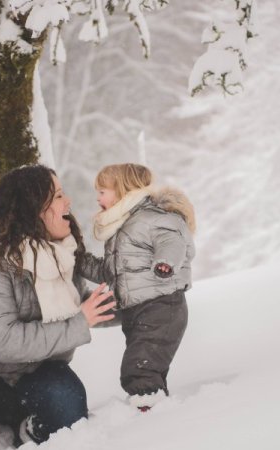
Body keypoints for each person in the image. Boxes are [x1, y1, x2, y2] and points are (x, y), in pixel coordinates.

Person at [0, 165, 116, 449]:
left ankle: (27, 433)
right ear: (33, 208)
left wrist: (148, 300)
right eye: (58, 196)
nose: (68, 202)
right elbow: (4, 342)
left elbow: (87, 306)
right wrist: (80, 323)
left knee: (69, 406)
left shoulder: (61, 254)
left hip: (33, 375)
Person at [77, 163, 196, 411]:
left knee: (139, 367)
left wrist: (165, 261)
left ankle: (148, 410)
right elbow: (109, 273)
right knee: (147, 364)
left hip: (162, 306)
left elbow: (173, 240)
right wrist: (78, 261)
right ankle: (155, 407)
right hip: (139, 311)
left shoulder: (152, 218)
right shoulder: (121, 230)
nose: (97, 197)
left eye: (102, 191)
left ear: (122, 190)